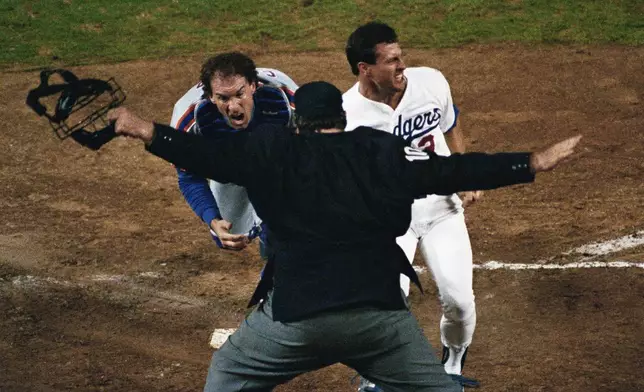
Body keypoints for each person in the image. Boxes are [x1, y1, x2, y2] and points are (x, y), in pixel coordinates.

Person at [107, 81, 581, 392]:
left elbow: (202, 156)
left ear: (296, 120)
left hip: (295, 320)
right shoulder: (378, 152)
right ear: (343, 118)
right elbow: (450, 170)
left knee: (227, 373)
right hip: (379, 323)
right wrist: (531, 163)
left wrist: (138, 127)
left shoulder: (271, 153)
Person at [343, 22, 481, 390]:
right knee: (386, 305)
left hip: (440, 209)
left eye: (401, 57)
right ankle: (377, 377)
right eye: (391, 61)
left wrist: (462, 175)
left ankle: (452, 365)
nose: (402, 66)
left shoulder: (432, 82)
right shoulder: (346, 115)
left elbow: (452, 126)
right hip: (389, 222)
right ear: (365, 69)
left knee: (459, 301)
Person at [170, 52, 298, 258]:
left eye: (240, 94)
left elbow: (311, 151)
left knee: (287, 228)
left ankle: (273, 258)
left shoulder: (285, 97)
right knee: (230, 232)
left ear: (253, 86)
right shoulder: (189, 119)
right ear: (210, 96)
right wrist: (212, 218)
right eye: (223, 98)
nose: (234, 106)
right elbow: (189, 176)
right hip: (228, 168)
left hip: (275, 161)